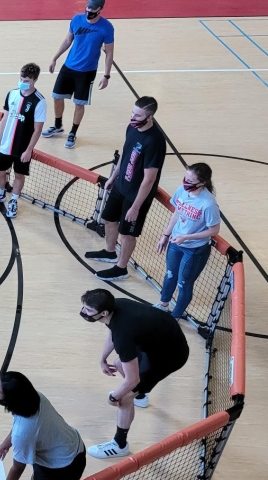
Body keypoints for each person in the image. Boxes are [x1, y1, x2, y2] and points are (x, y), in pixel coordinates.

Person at [79, 288, 190, 459]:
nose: (83, 312)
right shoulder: (117, 306)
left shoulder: (124, 334)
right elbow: (112, 331)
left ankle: (119, 445)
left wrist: (114, 397)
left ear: (104, 312)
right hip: (160, 341)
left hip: (169, 357)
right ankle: (141, 394)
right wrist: (103, 358)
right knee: (118, 363)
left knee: (124, 398)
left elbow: (132, 379)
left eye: (88, 310)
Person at [84, 97, 167, 282]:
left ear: (150, 116)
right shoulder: (133, 127)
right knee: (109, 220)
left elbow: (149, 178)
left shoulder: (155, 141)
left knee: (128, 233)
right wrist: (114, 177)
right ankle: (109, 251)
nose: (133, 117)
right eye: (132, 112)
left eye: (137, 115)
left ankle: (121, 268)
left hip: (136, 195)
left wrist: (136, 206)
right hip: (121, 186)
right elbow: (125, 152)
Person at [43, 0, 115, 149]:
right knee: (56, 97)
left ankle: (73, 133)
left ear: (100, 10)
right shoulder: (76, 20)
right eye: (87, 9)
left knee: (79, 104)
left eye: (93, 10)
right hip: (68, 67)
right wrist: (54, 58)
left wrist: (107, 75)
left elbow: (109, 52)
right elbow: (68, 40)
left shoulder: (107, 27)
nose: (89, 12)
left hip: (86, 71)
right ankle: (58, 126)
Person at [155, 163, 221, 320]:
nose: (185, 183)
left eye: (189, 181)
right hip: (175, 243)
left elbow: (214, 230)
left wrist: (187, 237)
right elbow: (177, 213)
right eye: (185, 178)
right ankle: (163, 305)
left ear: (202, 183)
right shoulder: (182, 191)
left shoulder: (208, 204)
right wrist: (165, 235)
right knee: (170, 274)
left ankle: (175, 316)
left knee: (184, 283)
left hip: (194, 250)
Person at [0, 63, 46, 219]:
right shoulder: (12, 94)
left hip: (22, 148)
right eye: (21, 78)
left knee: (19, 175)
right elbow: (4, 118)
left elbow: (37, 129)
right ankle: (0, 194)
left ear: (34, 80)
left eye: (26, 80)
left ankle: (14, 201)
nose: (22, 82)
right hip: (5, 145)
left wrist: (29, 150)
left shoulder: (39, 101)